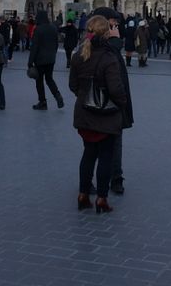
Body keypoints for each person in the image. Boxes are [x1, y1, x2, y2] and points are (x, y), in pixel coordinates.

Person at [70, 15, 129, 213]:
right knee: (105, 157)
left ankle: (83, 194)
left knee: (88, 154)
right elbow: (116, 89)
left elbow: (73, 85)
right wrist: (121, 104)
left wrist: (86, 97)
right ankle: (102, 199)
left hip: (84, 114)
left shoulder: (79, 55)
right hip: (106, 116)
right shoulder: (108, 57)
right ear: (107, 33)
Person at [87, 7, 133, 195]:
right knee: (96, 145)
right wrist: (115, 42)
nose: (116, 27)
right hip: (103, 104)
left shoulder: (102, 46)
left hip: (98, 105)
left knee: (107, 144)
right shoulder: (98, 48)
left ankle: (115, 177)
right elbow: (107, 67)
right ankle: (103, 180)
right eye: (113, 23)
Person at [28, 10, 64, 110]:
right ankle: (57, 95)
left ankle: (42, 102)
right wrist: (53, 54)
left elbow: (34, 46)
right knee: (49, 79)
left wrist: (30, 62)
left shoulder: (38, 29)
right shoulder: (53, 28)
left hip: (40, 59)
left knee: (39, 81)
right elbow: (56, 43)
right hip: (51, 59)